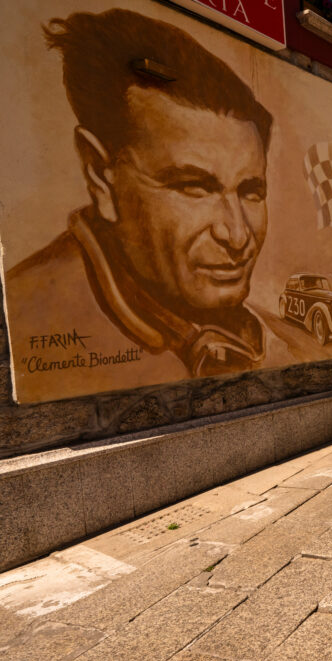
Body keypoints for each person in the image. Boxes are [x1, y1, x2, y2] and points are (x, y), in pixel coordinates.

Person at [3, 9, 289, 403]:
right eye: (194, 187)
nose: (237, 235)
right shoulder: (24, 312)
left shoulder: (286, 339)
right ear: (101, 177)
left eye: (251, 191)